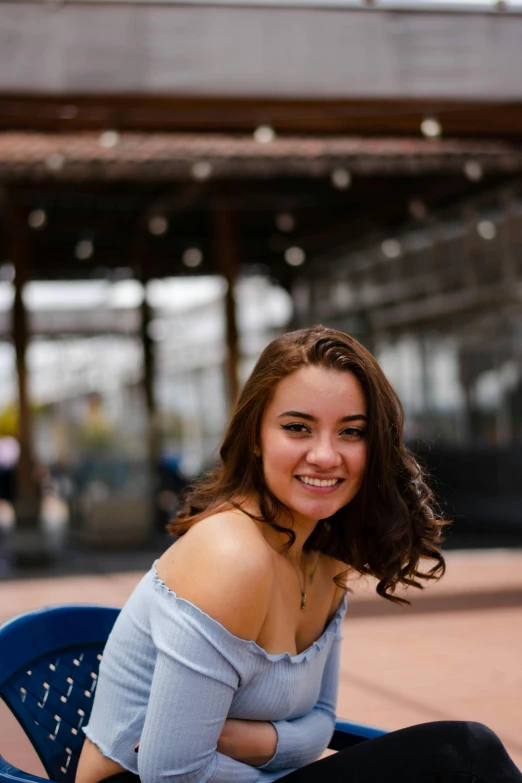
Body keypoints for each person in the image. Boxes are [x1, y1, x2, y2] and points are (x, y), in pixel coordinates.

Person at [76, 326, 521, 783]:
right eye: (297, 428)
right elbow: (172, 773)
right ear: (255, 437)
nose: (326, 456)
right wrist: (286, 745)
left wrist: (243, 740)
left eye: (351, 432)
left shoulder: (326, 558)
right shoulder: (230, 555)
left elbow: (322, 723)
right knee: (465, 754)